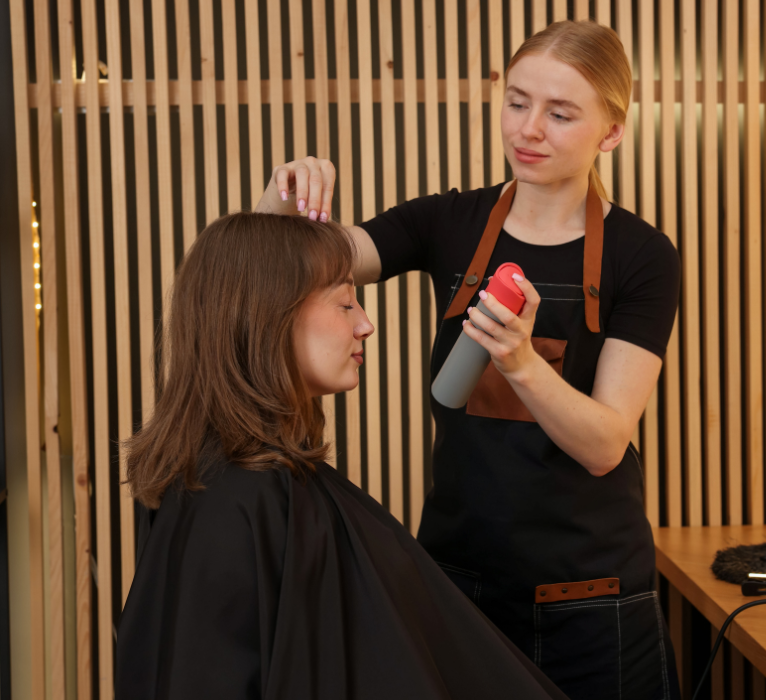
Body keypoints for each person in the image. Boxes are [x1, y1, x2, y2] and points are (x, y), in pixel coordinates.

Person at [254, 19, 681, 700]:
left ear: (612, 132)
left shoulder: (641, 257)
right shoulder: (447, 224)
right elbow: (298, 261)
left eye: (560, 113)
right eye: (517, 101)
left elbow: (605, 443)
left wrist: (521, 363)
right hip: (458, 586)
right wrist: (283, 198)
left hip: (593, 601)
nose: (528, 129)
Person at [115, 213, 569, 700]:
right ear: (268, 314)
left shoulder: (253, 483)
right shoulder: (239, 503)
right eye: (345, 302)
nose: (365, 324)